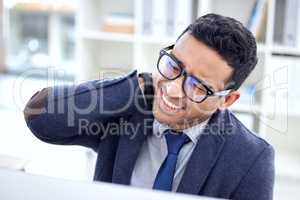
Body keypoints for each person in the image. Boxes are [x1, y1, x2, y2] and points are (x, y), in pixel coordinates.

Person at [23, 14, 274, 200]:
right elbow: (40, 117)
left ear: (227, 100)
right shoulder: (126, 111)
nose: (174, 89)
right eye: (174, 65)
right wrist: (136, 84)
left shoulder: (252, 158)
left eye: (198, 86)